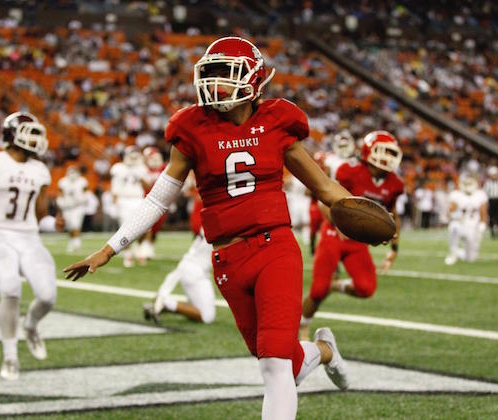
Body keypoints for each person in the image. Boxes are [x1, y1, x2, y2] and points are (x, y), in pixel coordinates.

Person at [64, 37, 361, 420]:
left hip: (275, 247)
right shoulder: (192, 128)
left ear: (254, 78)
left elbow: (324, 188)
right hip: (226, 258)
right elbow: (157, 199)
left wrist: (360, 212)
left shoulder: (276, 122)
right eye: (213, 72)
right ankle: (324, 352)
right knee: (278, 359)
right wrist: (108, 249)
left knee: (272, 365)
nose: (218, 81)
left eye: (227, 72)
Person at [0, 111, 62, 380]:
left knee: (48, 296)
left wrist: (55, 224)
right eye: (29, 132)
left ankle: (30, 326)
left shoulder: (40, 170)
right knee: (10, 289)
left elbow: (40, 215)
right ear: (11, 135)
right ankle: (10, 356)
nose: (36, 139)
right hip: (0, 235)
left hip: (30, 238)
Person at [300, 130, 403, 340]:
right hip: (333, 233)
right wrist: (338, 222)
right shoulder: (349, 170)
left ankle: (335, 285)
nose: (388, 158)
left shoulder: (394, 184)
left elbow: (393, 216)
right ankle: (303, 323)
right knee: (318, 290)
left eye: (392, 153)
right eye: (384, 152)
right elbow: (323, 202)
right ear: (369, 151)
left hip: (357, 241)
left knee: (366, 288)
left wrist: (394, 248)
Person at [143, 195, 216, 324]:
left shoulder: (211, 217)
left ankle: (165, 304)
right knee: (207, 316)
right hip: (195, 271)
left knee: (201, 309)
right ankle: (166, 303)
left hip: (193, 268)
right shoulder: (219, 221)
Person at [110, 146, 151, 266]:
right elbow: (115, 187)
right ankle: (128, 255)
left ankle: (140, 251)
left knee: (143, 227)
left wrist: (140, 176)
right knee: (125, 229)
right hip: (123, 200)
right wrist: (114, 202)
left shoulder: (142, 168)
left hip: (138, 199)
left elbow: (147, 186)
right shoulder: (118, 168)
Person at [444, 173, 488, 265]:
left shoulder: (480, 194)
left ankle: (459, 253)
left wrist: (483, 224)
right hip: (461, 225)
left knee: (471, 258)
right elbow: (449, 213)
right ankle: (453, 254)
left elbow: (483, 211)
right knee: (454, 227)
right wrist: (457, 215)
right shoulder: (456, 195)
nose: (468, 185)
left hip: (473, 228)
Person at [56, 166, 88, 252]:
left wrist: (81, 199)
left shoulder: (82, 181)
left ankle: (77, 244)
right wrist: (61, 203)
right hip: (67, 207)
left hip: (78, 207)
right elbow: (61, 194)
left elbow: (86, 193)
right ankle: (71, 242)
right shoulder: (63, 182)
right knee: (70, 226)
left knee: (76, 225)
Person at [483, 166, 498, 238]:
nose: (495, 176)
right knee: (491, 216)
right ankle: (492, 231)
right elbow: (485, 193)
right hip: (491, 200)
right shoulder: (488, 182)